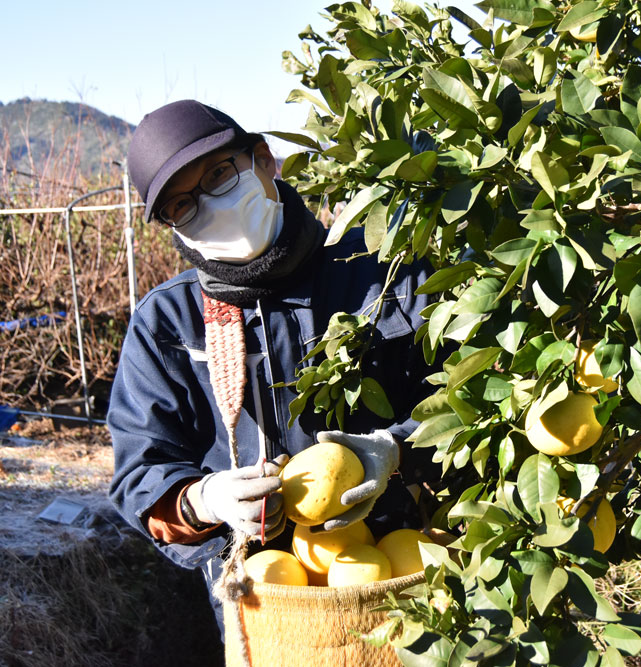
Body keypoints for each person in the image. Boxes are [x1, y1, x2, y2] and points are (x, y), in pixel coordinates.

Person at [107, 99, 437, 633]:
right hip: (264, 594)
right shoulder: (168, 322)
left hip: (401, 572)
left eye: (219, 174)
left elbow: (474, 401)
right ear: (172, 226)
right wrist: (206, 501)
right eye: (182, 205)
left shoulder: (382, 274)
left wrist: (396, 449)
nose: (211, 205)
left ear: (264, 159)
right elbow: (141, 473)